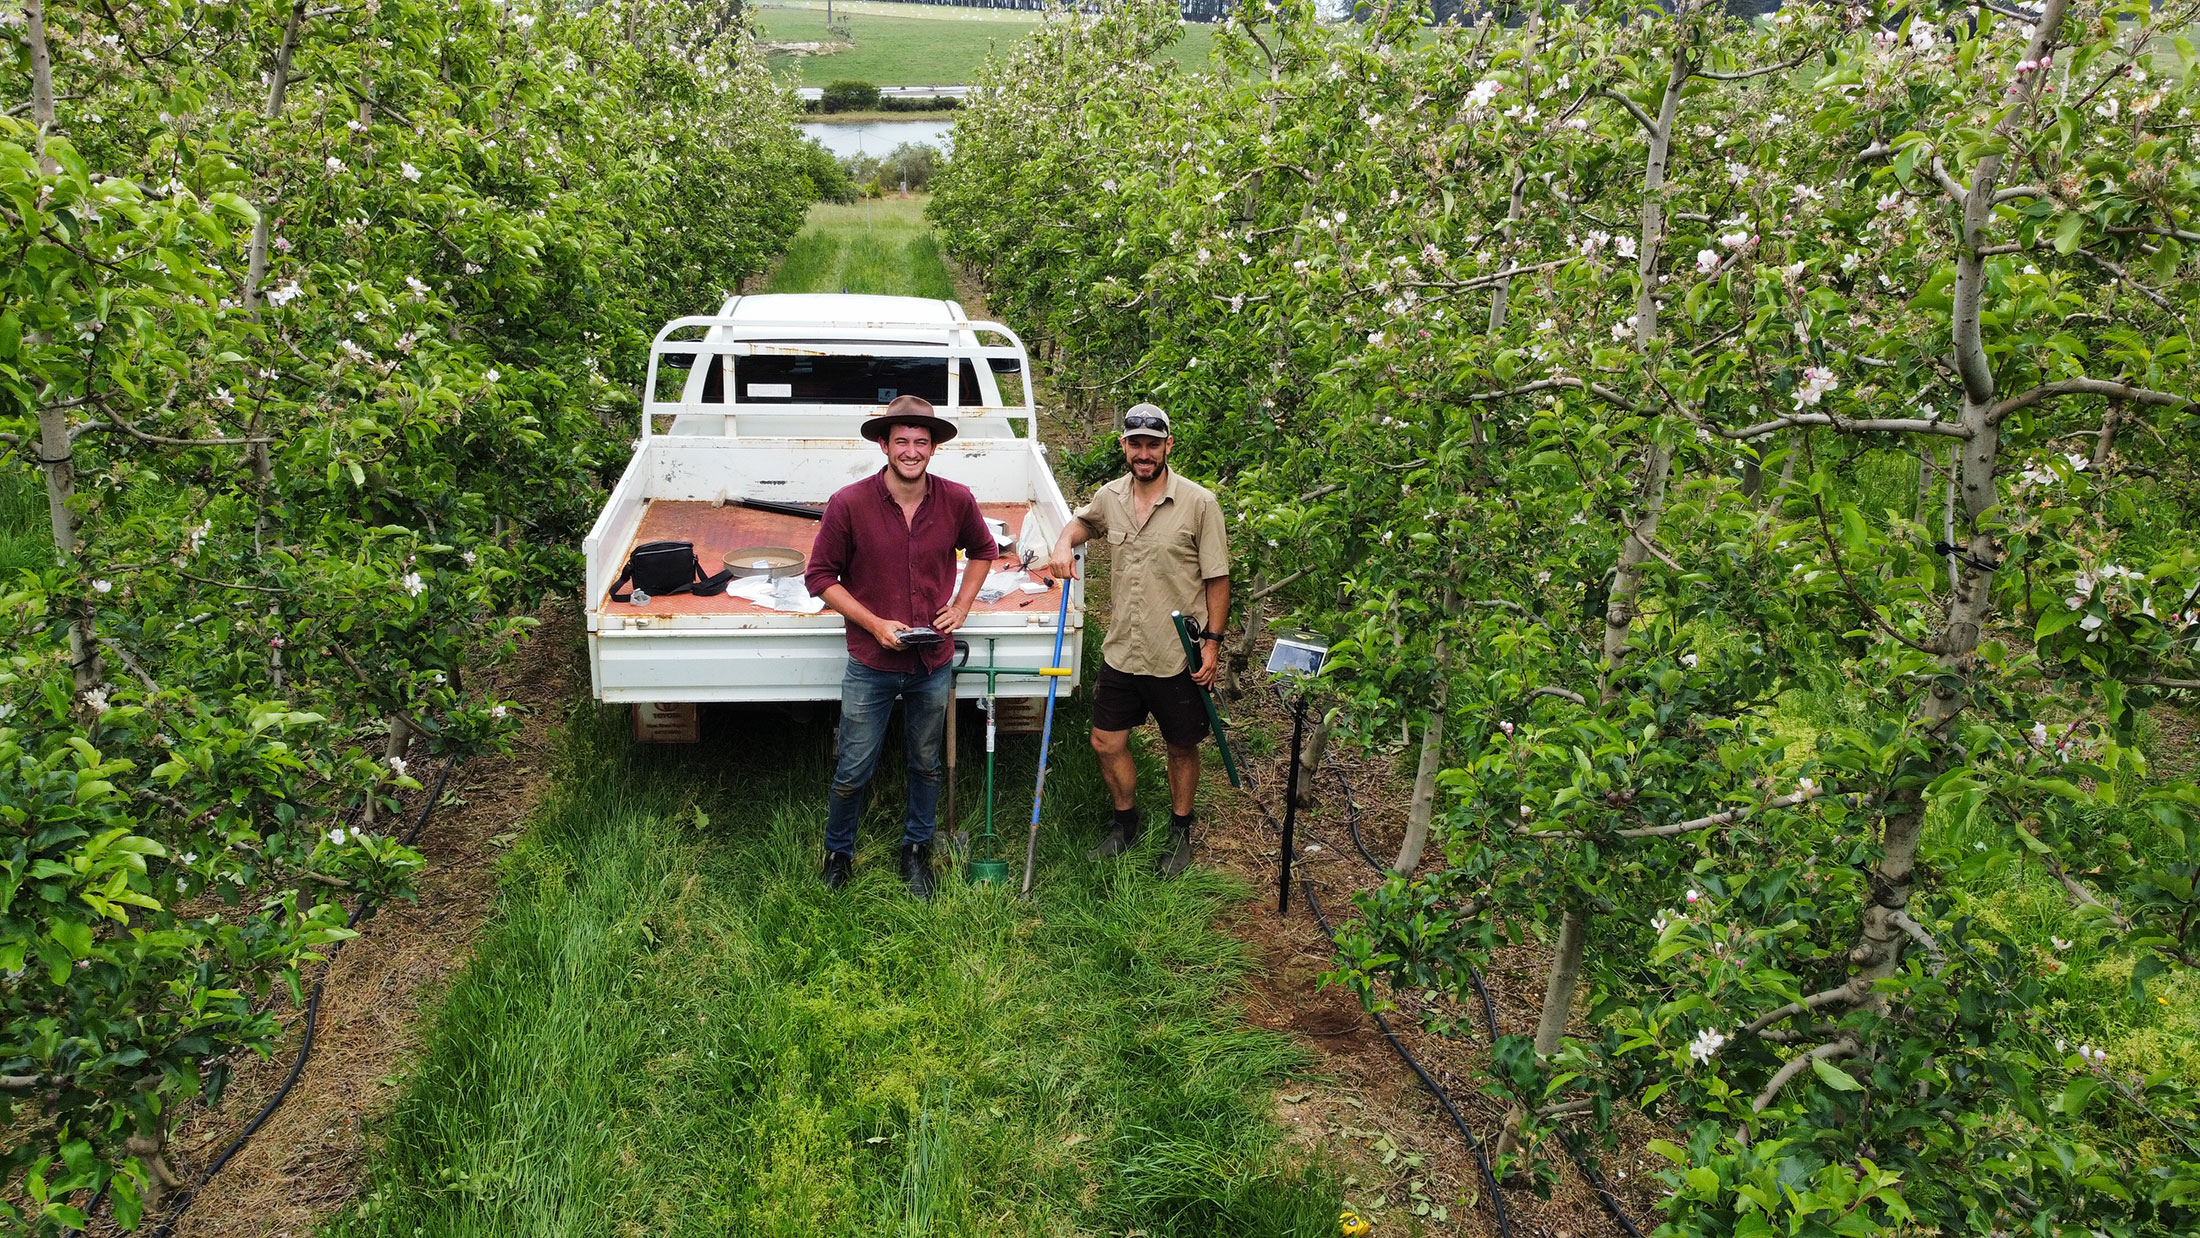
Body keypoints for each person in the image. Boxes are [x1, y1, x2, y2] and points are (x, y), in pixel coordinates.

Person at [806, 395, 998, 897]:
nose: (911, 450)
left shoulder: (956, 499)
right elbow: (820, 576)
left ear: (933, 448)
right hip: (871, 661)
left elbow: (984, 550)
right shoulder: (849, 503)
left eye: (921, 441)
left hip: (931, 658)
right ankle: (838, 854)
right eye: (901, 441)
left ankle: (917, 852)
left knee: (925, 761)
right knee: (853, 765)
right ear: (883, 445)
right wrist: (872, 623)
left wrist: (961, 606)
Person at [1049, 403, 1230, 875]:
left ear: (1168, 445)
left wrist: (1212, 644)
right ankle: (1125, 821)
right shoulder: (1110, 496)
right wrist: (1063, 542)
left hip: (1177, 652)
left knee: (1180, 745)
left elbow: (1217, 579)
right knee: (1105, 742)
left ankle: (1180, 829)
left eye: (1153, 444)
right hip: (1123, 648)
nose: (1144, 453)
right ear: (1124, 446)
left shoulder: (1199, 503)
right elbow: (1085, 523)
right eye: (1136, 444)